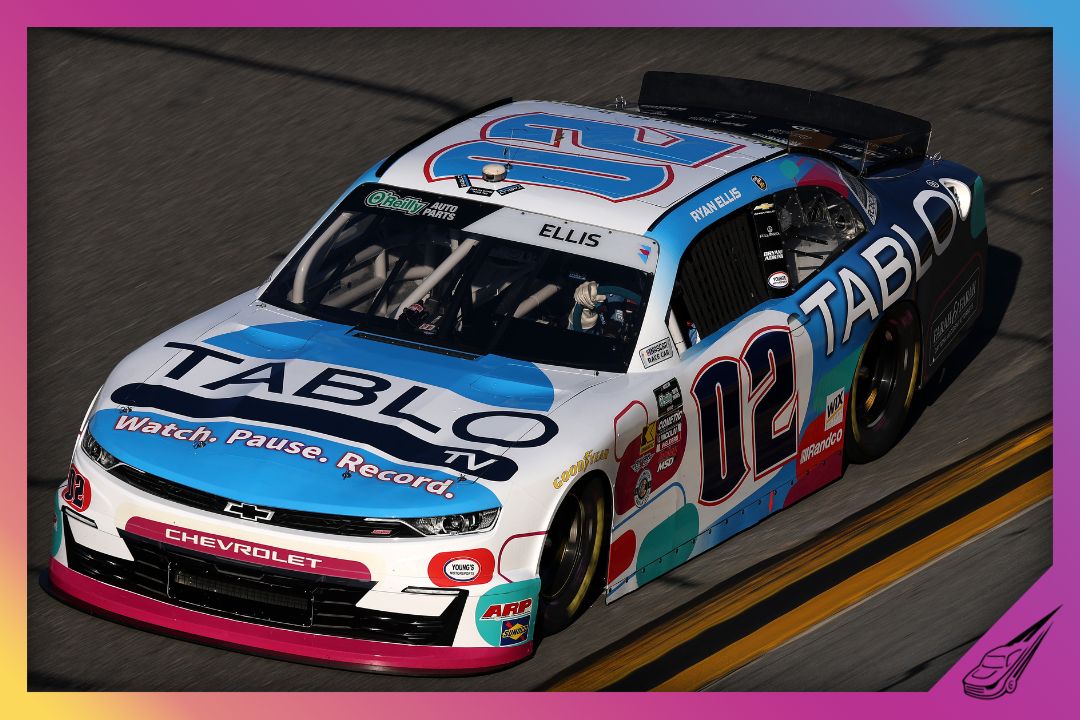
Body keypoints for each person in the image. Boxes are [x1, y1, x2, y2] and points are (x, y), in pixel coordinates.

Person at [567, 280, 640, 337]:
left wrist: (585, 311)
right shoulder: (630, 337)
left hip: (600, 283)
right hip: (628, 284)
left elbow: (575, 329)